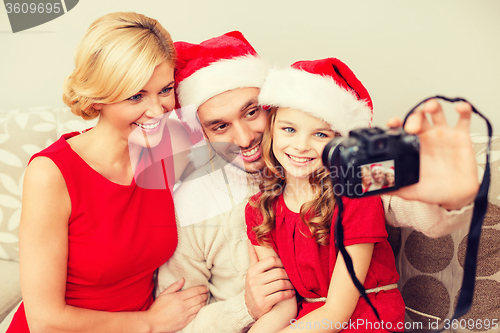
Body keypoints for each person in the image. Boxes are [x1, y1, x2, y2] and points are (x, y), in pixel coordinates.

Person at [158, 31, 478, 332]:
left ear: (275, 107)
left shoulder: (339, 168)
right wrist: (245, 306)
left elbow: (402, 198)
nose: (244, 138)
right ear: (202, 132)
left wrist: (447, 199)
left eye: (252, 112)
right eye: (219, 126)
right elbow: (178, 322)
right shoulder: (193, 205)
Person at [8, 12, 208, 333]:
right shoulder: (51, 174)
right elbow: (45, 320)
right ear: (98, 97)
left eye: (165, 90)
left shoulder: (166, 149)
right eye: (136, 96)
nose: (157, 111)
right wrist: (150, 322)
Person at [245, 58, 405, 332]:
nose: (301, 146)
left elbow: (337, 312)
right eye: (289, 129)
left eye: (320, 134)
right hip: (305, 319)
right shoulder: (260, 208)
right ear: (271, 129)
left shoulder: (356, 195)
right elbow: (284, 304)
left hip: (367, 318)